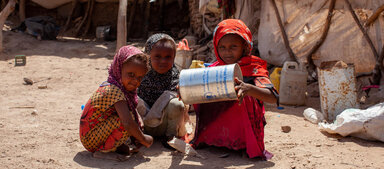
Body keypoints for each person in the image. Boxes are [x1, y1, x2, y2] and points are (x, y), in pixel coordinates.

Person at [191, 19, 278, 159]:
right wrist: (185, 90)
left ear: (244, 46)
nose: (227, 52)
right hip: (219, 123)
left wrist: (249, 88)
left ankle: (244, 144)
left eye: (233, 47)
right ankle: (211, 139)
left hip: (244, 122)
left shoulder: (254, 68)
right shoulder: (215, 70)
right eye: (222, 47)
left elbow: (273, 97)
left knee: (244, 97)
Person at [79, 46, 153, 161]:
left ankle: (111, 146)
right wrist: (144, 139)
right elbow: (127, 122)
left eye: (140, 77)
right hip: (90, 138)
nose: (135, 81)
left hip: (95, 132)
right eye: (131, 75)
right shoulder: (115, 91)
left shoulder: (116, 86)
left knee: (130, 121)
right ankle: (102, 152)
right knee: (127, 122)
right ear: (119, 69)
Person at [137, 33, 189, 146]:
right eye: (158, 56)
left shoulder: (177, 77)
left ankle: (171, 137)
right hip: (142, 125)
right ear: (148, 55)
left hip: (165, 125)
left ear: (174, 57)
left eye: (168, 57)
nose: (163, 61)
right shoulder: (139, 75)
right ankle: (136, 136)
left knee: (177, 104)